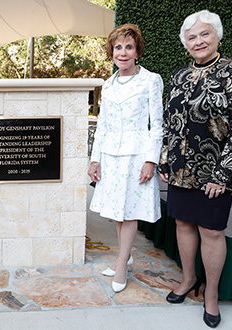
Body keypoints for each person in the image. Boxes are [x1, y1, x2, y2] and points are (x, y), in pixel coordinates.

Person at [158, 10, 232, 328]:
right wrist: (165, 158)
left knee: (211, 230)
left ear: (217, 36)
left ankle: (210, 294)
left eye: (204, 34)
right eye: (192, 37)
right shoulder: (179, 75)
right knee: (183, 222)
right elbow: (170, 122)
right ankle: (187, 280)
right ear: (185, 43)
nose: (198, 41)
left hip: (216, 169)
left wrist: (224, 173)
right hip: (181, 165)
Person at [88, 24, 163, 293]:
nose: (123, 52)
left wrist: (151, 160)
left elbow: (157, 124)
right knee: (118, 212)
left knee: (129, 211)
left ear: (137, 51)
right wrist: (95, 159)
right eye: (118, 47)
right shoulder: (107, 86)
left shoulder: (151, 80)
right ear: (112, 52)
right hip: (111, 154)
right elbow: (103, 124)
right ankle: (126, 256)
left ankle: (121, 263)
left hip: (136, 155)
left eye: (128, 47)